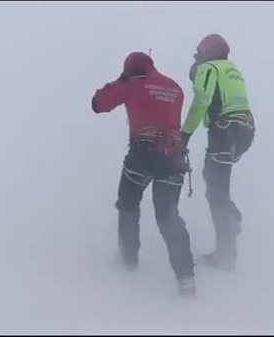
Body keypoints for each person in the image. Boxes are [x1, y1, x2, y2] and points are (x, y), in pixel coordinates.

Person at [91, 52, 196, 296]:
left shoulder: (131, 83)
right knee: (168, 216)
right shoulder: (174, 87)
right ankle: (186, 277)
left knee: (128, 204)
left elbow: (98, 104)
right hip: (173, 155)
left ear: (129, 69)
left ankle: (129, 258)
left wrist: (122, 80)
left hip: (143, 153)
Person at [181, 34, 256, 271]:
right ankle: (231, 222)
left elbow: (201, 101)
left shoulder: (209, 68)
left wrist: (184, 135)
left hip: (223, 130)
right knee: (218, 182)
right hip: (246, 130)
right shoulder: (232, 69)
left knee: (215, 188)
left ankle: (226, 252)